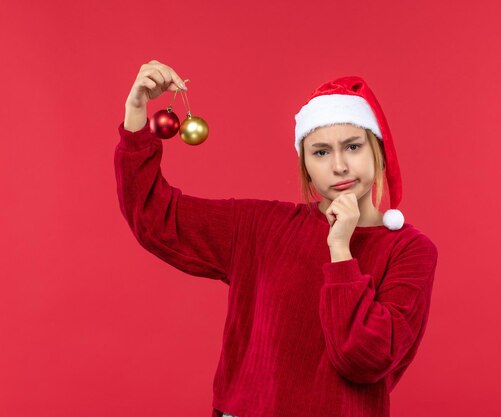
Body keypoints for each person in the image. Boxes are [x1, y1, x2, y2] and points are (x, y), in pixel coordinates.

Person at [115, 60, 439, 417]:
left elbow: (364, 358)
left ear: (376, 150)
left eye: (352, 147)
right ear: (306, 165)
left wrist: (340, 251)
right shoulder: (262, 226)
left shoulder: (410, 251)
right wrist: (135, 115)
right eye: (320, 152)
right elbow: (156, 219)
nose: (339, 166)